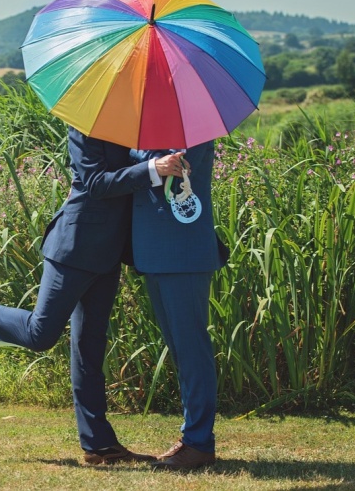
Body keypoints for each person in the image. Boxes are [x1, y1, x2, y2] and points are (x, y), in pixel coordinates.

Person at [0, 126, 186, 465]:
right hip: (75, 247)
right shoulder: (86, 124)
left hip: (108, 253)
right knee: (40, 334)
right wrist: (154, 169)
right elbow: (95, 183)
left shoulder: (132, 125)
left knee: (88, 350)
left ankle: (99, 446)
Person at [128, 141, 228, 471]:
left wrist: (132, 154)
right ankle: (193, 437)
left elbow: (175, 166)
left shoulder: (192, 123)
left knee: (191, 349)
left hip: (183, 252)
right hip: (156, 253)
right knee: (180, 349)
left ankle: (199, 443)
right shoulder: (149, 125)